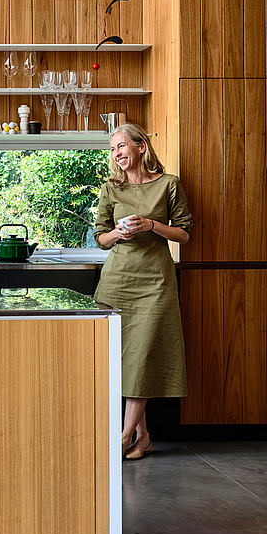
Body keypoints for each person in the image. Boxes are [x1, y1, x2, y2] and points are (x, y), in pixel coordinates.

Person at [94, 123, 192, 459]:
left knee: (144, 355)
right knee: (123, 358)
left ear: (141, 147)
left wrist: (151, 225)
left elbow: (183, 234)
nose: (116, 154)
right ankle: (143, 435)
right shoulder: (110, 189)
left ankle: (123, 439)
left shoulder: (169, 185)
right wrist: (119, 235)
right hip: (117, 280)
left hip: (155, 282)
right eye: (112, 149)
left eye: (120, 146)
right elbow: (100, 238)